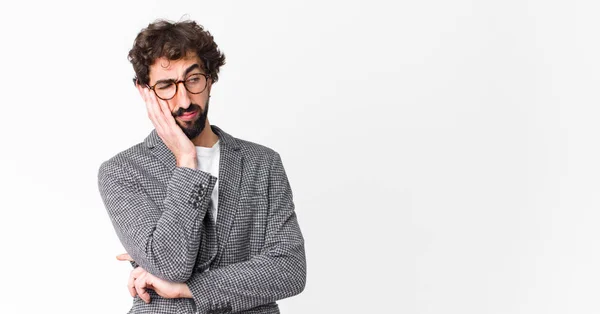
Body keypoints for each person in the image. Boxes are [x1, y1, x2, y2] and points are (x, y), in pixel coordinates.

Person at [97, 19, 306, 314]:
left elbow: (290, 270)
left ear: (211, 78)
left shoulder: (263, 163)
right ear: (144, 90)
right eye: (166, 86)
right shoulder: (122, 171)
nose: (184, 100)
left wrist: (188, 289)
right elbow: (171, 264)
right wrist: (186, 160)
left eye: (193, 80)